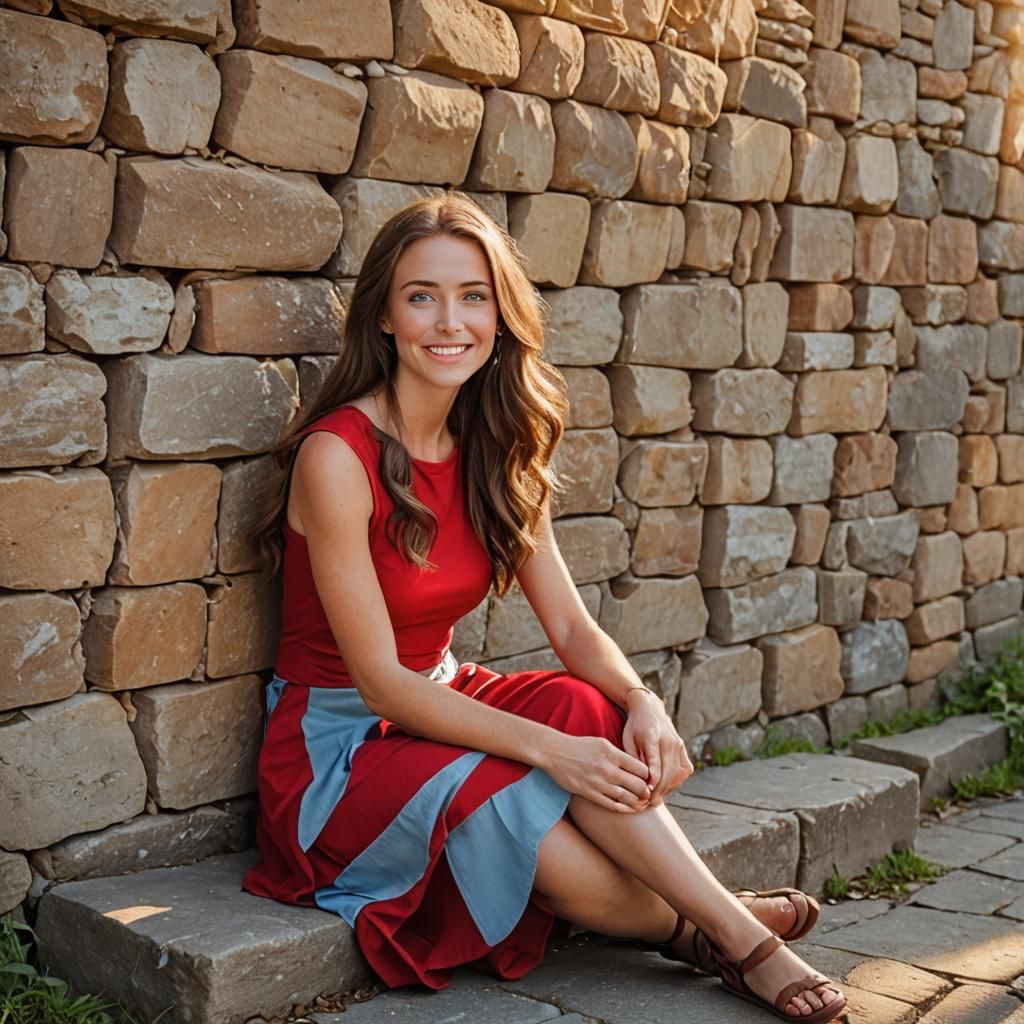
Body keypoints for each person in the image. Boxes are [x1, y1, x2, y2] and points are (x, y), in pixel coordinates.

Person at [241, 193, 846, 1023]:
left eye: (473, 296)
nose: (449, 321)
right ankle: (728, 935)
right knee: (517, 796)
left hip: (438, 703)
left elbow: (568, 628)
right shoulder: (336, 456)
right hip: (336, 749)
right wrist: (554, 755)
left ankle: (710, 922)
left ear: (500, 315)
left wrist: (642, 702)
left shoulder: (497, 446)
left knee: (590, 709)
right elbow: (380, 683)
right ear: (384, 315)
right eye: (421, 296)